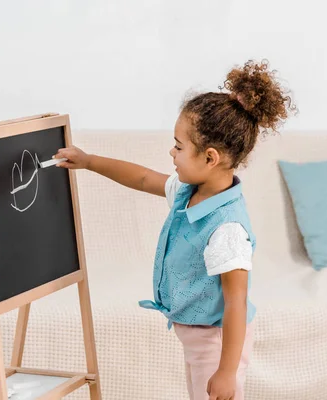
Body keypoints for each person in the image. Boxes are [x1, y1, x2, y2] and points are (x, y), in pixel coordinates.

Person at [54, 60, 296, 400]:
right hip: (197, 338)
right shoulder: (189, 193)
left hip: (217, 342)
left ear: (210, 158)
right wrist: (89, 161)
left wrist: (226, 372)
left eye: (179, 146)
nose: (172, 151)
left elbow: (236, 302)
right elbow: (141, 177)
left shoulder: (226, 228)